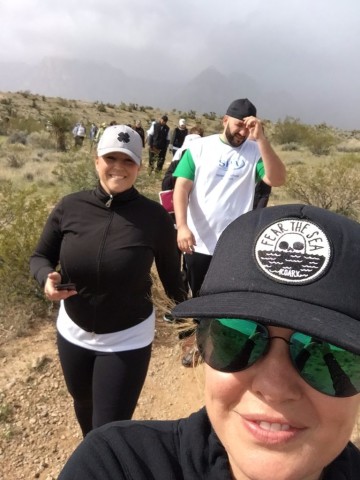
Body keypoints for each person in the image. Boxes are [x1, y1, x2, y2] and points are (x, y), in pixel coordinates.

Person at [58, 204, 360, 480]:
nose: (274, 388)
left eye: (326, 349)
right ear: (202, 345)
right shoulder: (118, 465)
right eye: (236, 339)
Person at [30, 125, 187, 437]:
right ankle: (92, 455)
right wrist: (45, 279)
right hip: (73, 330)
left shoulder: (154, 217)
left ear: (140, 167)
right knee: (83, 402)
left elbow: (173, 281)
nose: (119, 167)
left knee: (111, 428)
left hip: (127, 338)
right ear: (96, 160)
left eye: (128, 160)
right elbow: (40, 256)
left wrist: (192, 328)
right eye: (111, 158)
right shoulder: (70, 206)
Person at [173, 98, 286, 300]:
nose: (243, 132)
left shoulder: (255, 152)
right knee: (196, 290)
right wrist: (182, 226)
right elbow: (181, 189)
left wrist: (261, 140)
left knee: (224, 295)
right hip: (198, 239)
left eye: (248, 127)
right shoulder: (199, 148)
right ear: (225, 120)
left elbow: (277, 179)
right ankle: (194, 325)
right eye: (239, 125)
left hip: (234, 242)